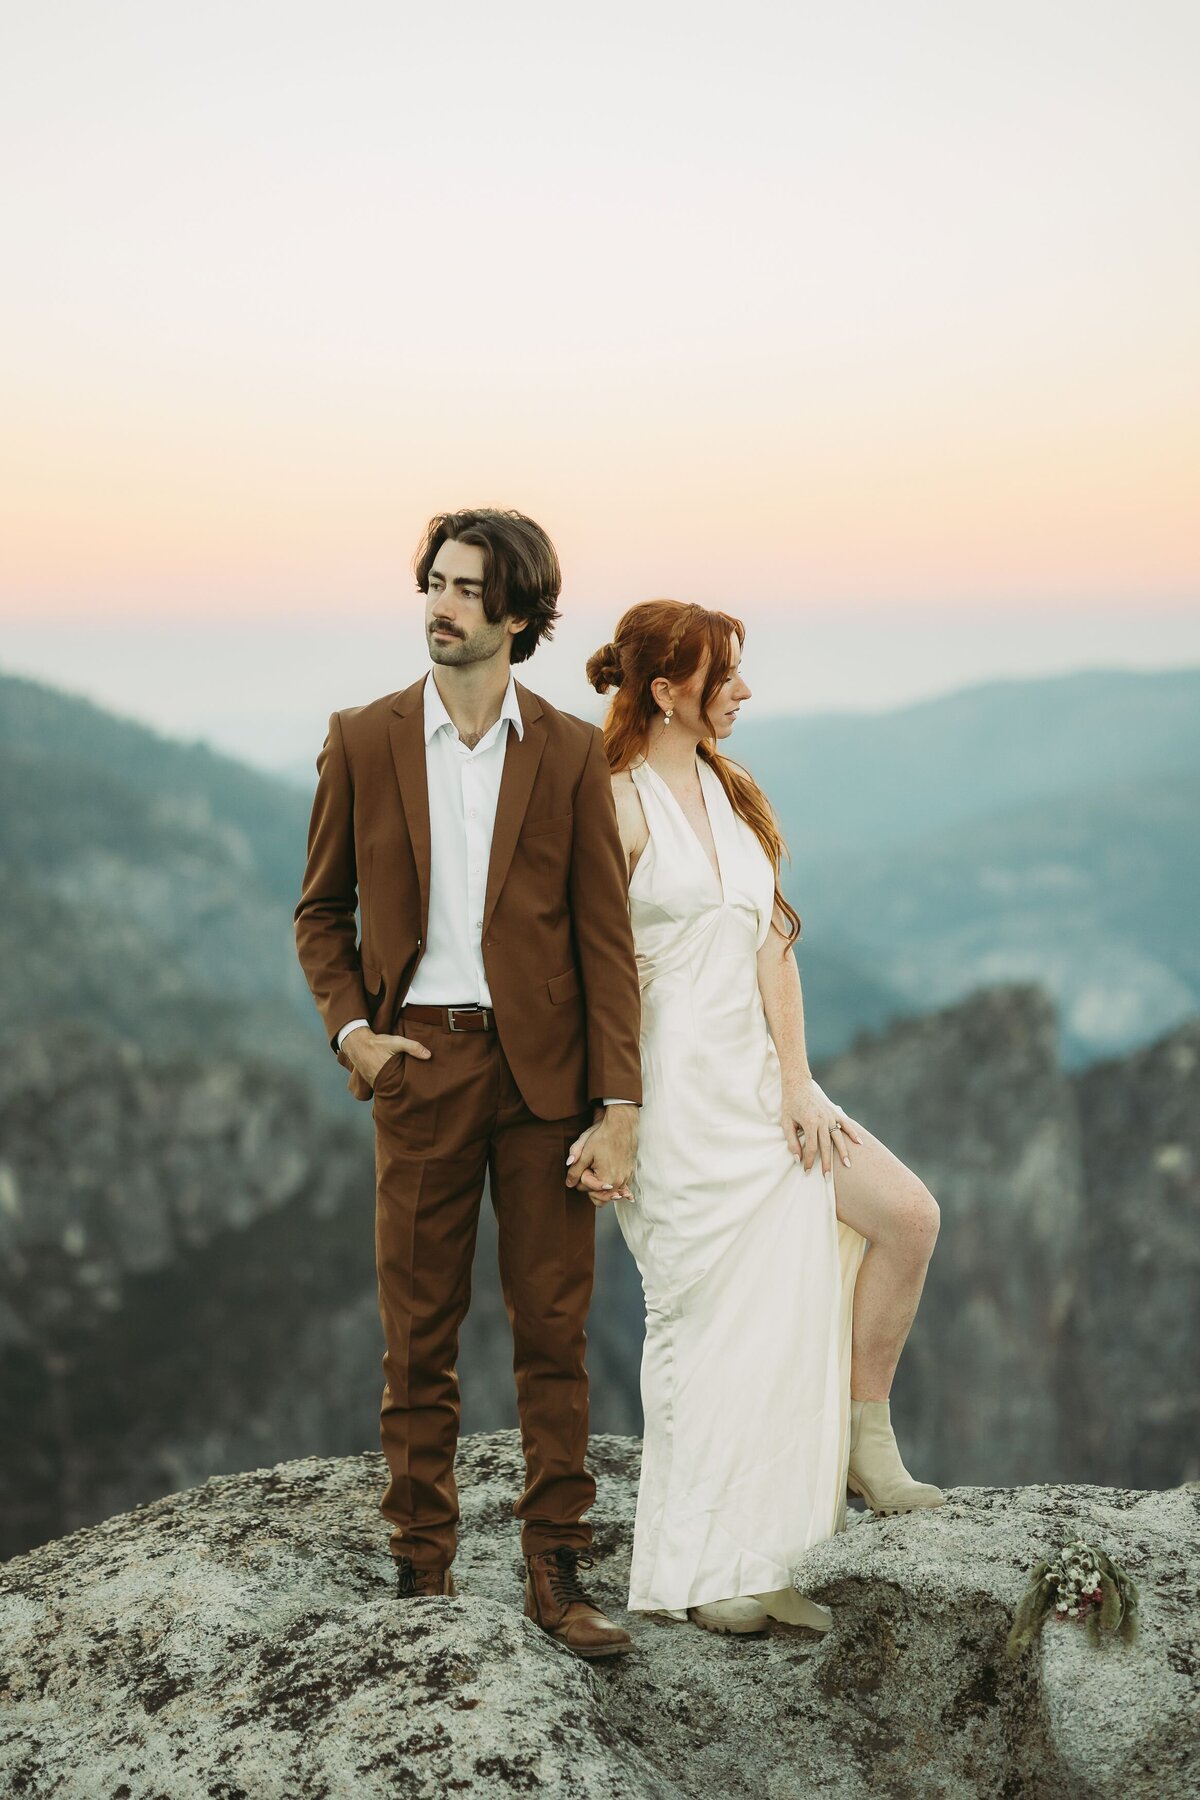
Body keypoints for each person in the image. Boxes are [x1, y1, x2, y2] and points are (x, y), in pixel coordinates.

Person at [294, 508, 643, 1659]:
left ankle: (556, 1576)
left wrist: (619, 1107)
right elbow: (319, 913)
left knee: (554, 1330)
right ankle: (423, 1578)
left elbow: (604, 942)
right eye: (432, 584)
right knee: (418, 1334)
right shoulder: (361, 738)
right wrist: (353, 1032)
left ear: (518, 614)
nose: (440, 606)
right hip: (420, 1066)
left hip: (545, 1084)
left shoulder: (574, 752)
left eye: (465, 589)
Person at [572, 600, 943, 1637]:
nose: (742, 691)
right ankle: (709, 1569)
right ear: (665, 692)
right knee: (707, 1323)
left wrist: (800, 1082)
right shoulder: (615, 803)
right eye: (724, 675)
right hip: (670, 1102)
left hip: (757, 1089)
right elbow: (586, 975)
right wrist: (612, 1117)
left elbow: (775, 945)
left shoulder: (731, 796)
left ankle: (855, 1456)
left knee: (905, 1217)